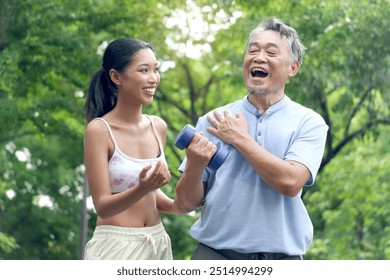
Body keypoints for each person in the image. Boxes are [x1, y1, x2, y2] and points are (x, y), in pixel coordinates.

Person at [175, 17, 329, 260]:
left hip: (282, 261)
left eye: (271, 52)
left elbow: (290, 183)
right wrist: (194, 164)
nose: (258, 57)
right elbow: (185, 203)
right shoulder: (212, 120)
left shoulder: (308, 122)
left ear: (293, 67)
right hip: (213, 257)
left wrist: (240, 138)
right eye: (253, 50)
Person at [83, 38, 216, 260]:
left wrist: (185, 199)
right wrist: (143, 188)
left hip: (158, 241)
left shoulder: (158, 126)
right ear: (116, 77)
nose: (153, 78)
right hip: (116, 246)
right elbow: (103, 206)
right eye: (143, 70)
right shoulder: (99, 129)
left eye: (156, 70)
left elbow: (154, 195)